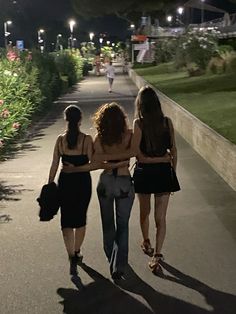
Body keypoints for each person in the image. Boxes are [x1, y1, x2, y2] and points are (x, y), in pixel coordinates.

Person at [133, 86, 180, 274]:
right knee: (160, 217)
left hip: (144, 173)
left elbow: (139, 156)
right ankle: (158, 253)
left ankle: (146, 241)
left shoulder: (138, 124)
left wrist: (152, 159)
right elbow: (174, 150)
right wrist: (170, 169)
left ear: (141, 104)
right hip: (163, 173)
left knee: (144, 212)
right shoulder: (166, 122)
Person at [48, 105, 93, 276]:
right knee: (80, 217)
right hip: (82, 182)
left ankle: (70, 255)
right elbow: (92, 163)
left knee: (66, 220)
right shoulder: (87, 140)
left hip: (65, 181)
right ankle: (77, 251)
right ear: (80, 120)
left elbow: (54, 164)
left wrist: (50, 184)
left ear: (65, 119)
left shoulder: (60, 140)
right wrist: (79, 167)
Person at [93, 103, 135, 280]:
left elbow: (96, 160)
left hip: (106, 181)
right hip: (124, 181)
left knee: (107, 223)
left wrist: (110, 163)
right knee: (123, 225)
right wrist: (119, 163)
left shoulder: (100, 138)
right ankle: (120, 264)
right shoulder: (129, 135)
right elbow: (134, 152)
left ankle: (111, 257)